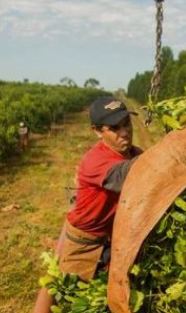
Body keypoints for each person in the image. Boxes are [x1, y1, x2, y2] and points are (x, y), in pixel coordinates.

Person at [58, 96, 142, 281]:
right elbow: (131, 175)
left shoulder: (134, 153)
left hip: (113, 240)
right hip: (86, 245)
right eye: (114, 128)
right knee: (75, 299)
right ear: (97, 131)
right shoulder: (96, 161)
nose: (125, 132)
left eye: (126, 123)